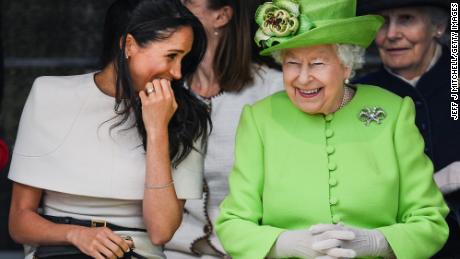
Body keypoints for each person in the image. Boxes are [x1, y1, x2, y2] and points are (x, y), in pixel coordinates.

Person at [215, 0, 449, 258]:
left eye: (317, 64)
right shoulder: (260, 118)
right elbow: (232, 224)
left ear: (346, 65)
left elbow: (430, 220)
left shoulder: (394, 111)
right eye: (292, 63)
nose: (303, 78)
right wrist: (284, 244)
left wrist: (378, 242)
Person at [8, 0, 210, 258]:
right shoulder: (49, 95)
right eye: (171, 56)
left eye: (184, 58)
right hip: (60, 249)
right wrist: (76, 235)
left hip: (136, 251)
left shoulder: (187, 116)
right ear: (128, 45)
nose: (178, 72)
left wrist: (158, 129)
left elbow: (161, 231)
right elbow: (19, 221)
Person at [164, 0, 283, 257]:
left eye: (188, 2)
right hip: (175, 249)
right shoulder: (168, 89)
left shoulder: (273, 90)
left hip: (249, 250)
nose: (176, 7)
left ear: (222, 16)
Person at [355, 0, 460, 257]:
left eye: (407, 19)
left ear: (438, 26)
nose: (391, 34)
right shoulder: (356, 94)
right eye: (383, 23)